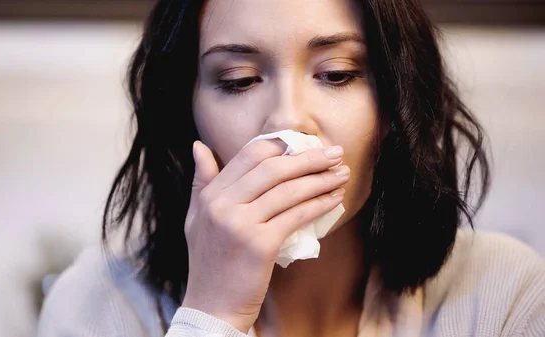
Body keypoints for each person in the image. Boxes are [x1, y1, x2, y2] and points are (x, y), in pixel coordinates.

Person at [37, 0, 545, 336]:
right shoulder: (97, 306)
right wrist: (213, 315)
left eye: (337, 74)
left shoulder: (504, 293)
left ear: (394, 104)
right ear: (185, 111)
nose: (286, 118)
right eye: (238, 79)